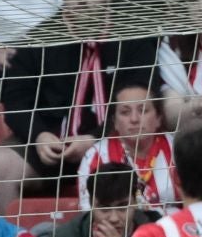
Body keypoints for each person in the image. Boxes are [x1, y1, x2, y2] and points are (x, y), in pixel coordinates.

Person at [0, 0, 161, 214]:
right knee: (1, 164)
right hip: (51, 145)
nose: (80, 0)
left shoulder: (135, 36)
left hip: (117, 139)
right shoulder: (40, 38)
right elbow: (15, 101)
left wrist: (95, 138)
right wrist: (39, 136)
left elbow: (145, 96)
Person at [74, 82, 177, 212]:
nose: (134, 119)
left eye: (143, 110)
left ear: (158, 118)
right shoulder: (96, 156)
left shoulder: (178, 149)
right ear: (115, 122)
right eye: (125, 112)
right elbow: (89, 213)